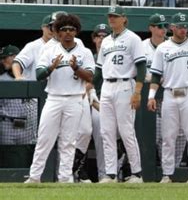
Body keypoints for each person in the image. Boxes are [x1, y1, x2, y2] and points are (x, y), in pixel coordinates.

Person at [25, 13, 95, 183]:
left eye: (71, 29)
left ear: (76, 31)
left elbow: (91, 76)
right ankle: (34, 177)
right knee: (44, 138)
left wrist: (76, 68)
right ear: (57, 31)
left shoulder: (84, 51)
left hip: (75, 98)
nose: (68, 32)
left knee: (69, 141)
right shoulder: (49, 50)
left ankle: (65, 178)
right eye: (64, 29)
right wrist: (52, 67)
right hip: (54, 97)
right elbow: (39, 74)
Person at [148, 12, 188, 184]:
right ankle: (167, 174)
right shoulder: (163, 48)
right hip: (169, 93)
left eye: (185, 26)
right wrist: (151, 97)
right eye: (180, 27)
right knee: (168, 136)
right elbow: (155, 76)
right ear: (172, 27)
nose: (183, 29)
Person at [95, 6, 146, 184]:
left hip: (125, 84)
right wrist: (89, 85)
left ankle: (137, 173)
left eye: (115, 16)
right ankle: (110, 173)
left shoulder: (133, 38)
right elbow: (99, 68)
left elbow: (141, 67)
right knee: (106, 131)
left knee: (126, 131)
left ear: (124, 18)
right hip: (107, 86)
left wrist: (137, 91)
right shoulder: (106, 41)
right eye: (110, 16)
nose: (112, 19)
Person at [0, 45, 37, 169]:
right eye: (2, 58)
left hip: (26, 125)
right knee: (7, 156)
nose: (2, 61)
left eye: (6, 57)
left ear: (15, 57)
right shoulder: (1, 79)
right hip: (7, 124)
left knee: (25, 155)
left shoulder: (29, 76)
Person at [88, 23, 111, 182]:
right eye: (98, 36)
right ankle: (74, 173)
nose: (101, 39)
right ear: (94, 39)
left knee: (104, 137)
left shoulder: (113, 57)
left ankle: (105, 174)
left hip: (107, 104)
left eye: (104, 36)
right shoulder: (89, 56)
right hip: (85, 102)